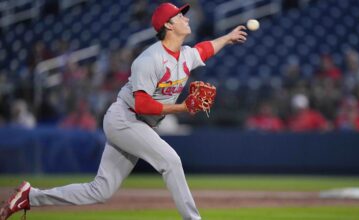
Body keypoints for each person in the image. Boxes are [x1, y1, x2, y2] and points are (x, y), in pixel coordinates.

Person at [0, 2, 247, 220]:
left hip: (139, 124)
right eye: (180, 16)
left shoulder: (184, 55)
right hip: (125, 118)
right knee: (171, 161)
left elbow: (205, 49)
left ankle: (30, 197)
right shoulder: (149, 59)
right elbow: (141, 104)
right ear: (168, 25)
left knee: (100, 191)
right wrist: (181, 107)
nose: (186, 18)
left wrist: (227, 37)